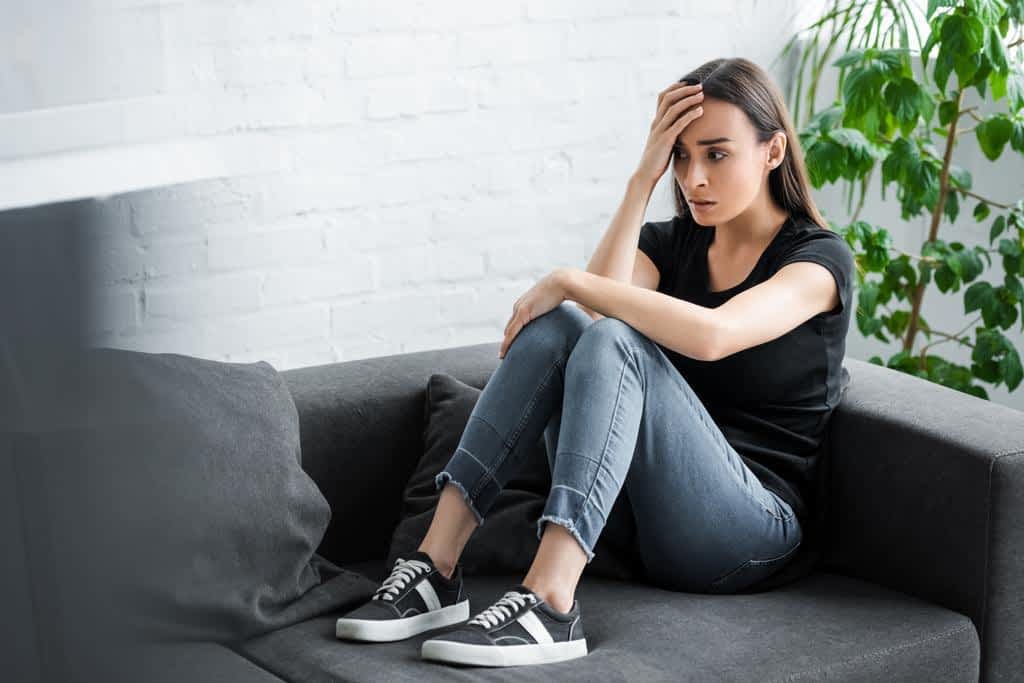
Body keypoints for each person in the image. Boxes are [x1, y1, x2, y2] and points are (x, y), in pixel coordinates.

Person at [335, 56, 855, 668]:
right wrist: (641, 179)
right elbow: (596, 319)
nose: (694, 179)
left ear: (772, 152)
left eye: (716, 154)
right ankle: (435, 566)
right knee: (563, 324)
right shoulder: (672, 241)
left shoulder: (818, 260)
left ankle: (552, 601)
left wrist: (567, 278)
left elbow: (715, 335)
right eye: (681, 158)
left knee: (602, 326)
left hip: (748, 531)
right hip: (638, 521)